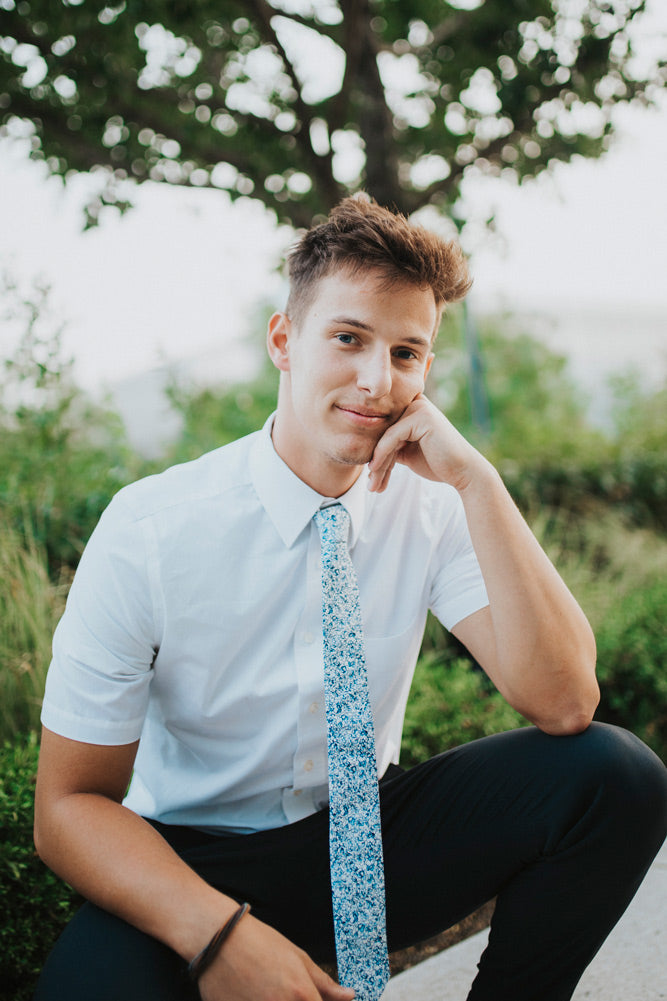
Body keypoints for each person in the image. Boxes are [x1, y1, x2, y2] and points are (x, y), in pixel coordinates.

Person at [34, 195, 667, 1001]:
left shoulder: (436, 502)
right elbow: (66, 808)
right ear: (283, 340)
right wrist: (217, 934)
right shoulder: (152, 528)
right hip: (195, 858)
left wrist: (480, 480)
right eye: (348, 338)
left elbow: (566, 700)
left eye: (407, 352)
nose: (377, 379)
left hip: (370, 835)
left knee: (613, 773)